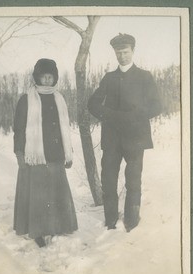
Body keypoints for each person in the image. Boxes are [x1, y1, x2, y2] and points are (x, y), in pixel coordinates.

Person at [88, 33, 161, 232]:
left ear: (133, 51)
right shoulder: (109, 78)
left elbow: (157, 105)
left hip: (136, 138)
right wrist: (109, 115)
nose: (122, 56)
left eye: (125, 52)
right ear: (114, 53)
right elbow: (92, 104)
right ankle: (110, 221)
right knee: (109, 181)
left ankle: (132, 222)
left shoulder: (144, 76)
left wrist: (135, 115)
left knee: (134, 180)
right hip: (111, 139)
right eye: (118, 53)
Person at [13, 58, 78, 247]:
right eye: (44, 76)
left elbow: (64, 127)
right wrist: (19, 153)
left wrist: (69, 152)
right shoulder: (27, 99)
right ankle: (39, 231)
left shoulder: (59, 98)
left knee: (56, 192)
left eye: (51, 77)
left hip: (56, 153)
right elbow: (19, 128)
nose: (48, 80)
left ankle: (58, 226)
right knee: (38, 194)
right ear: (37, 78)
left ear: (54, 78)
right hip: (35, 155)